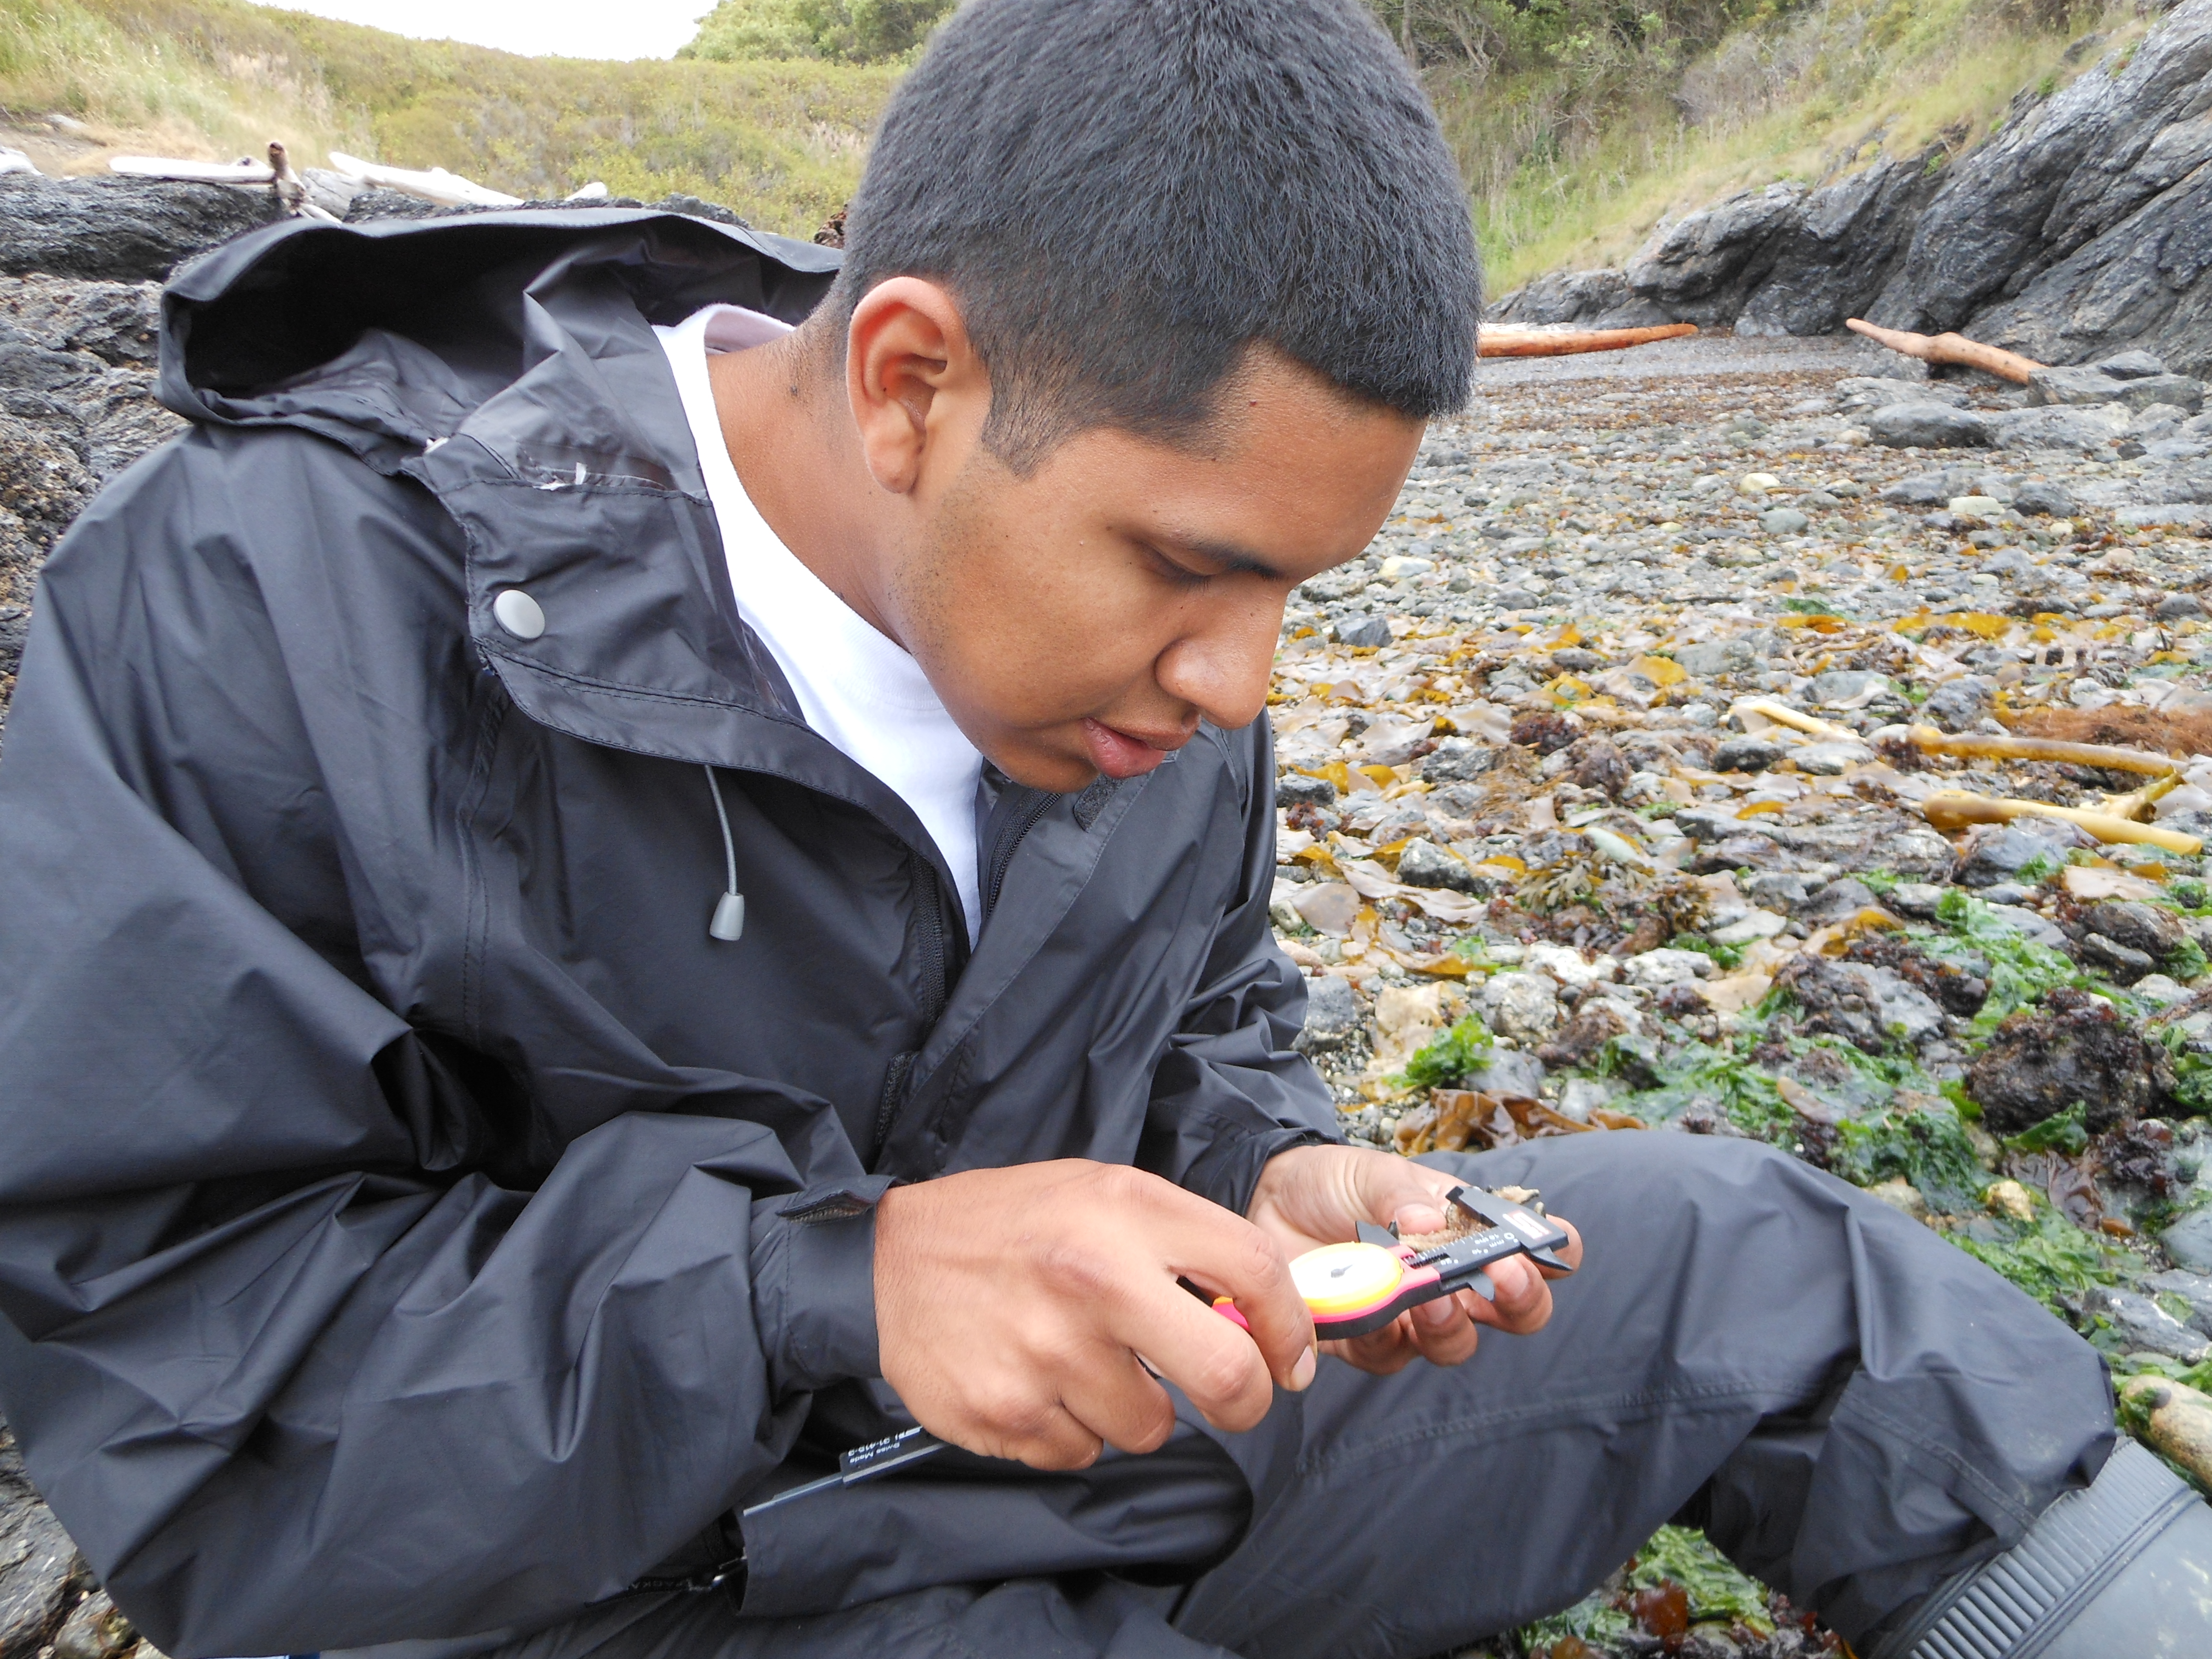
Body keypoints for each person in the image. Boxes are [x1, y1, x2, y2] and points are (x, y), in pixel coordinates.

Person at [0, 2, 2202, 1656]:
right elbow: (194, 1409)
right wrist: (821, 1288)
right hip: (624, 1581)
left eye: (1293, 593)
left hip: (1114, 1458)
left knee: (1758, 1270)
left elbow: (1201, 1003)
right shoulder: (270, 604)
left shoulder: (1115, 665)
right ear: (908, 382)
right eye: (1188, 567)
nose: (1241, 683)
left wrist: (1276, 1163)